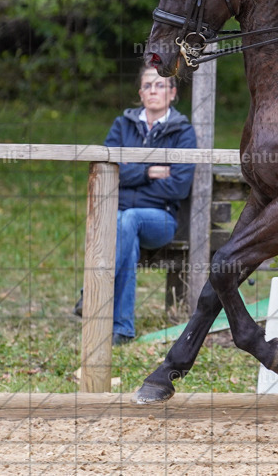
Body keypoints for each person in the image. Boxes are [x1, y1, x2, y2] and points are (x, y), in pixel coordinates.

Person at [74, 66, 196, 345]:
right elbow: (108, 174)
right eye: (148, 86)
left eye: (161, 85)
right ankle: (122, 330)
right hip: (120, 217)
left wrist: (130, 175)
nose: (154, 91)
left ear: (172, 93)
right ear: (140, 93)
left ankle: (90, 295)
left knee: (126, 218)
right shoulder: (122, 126)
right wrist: (150, 171)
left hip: (161, 220)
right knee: (124, 230)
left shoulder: (183, 132)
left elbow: (178, 186)